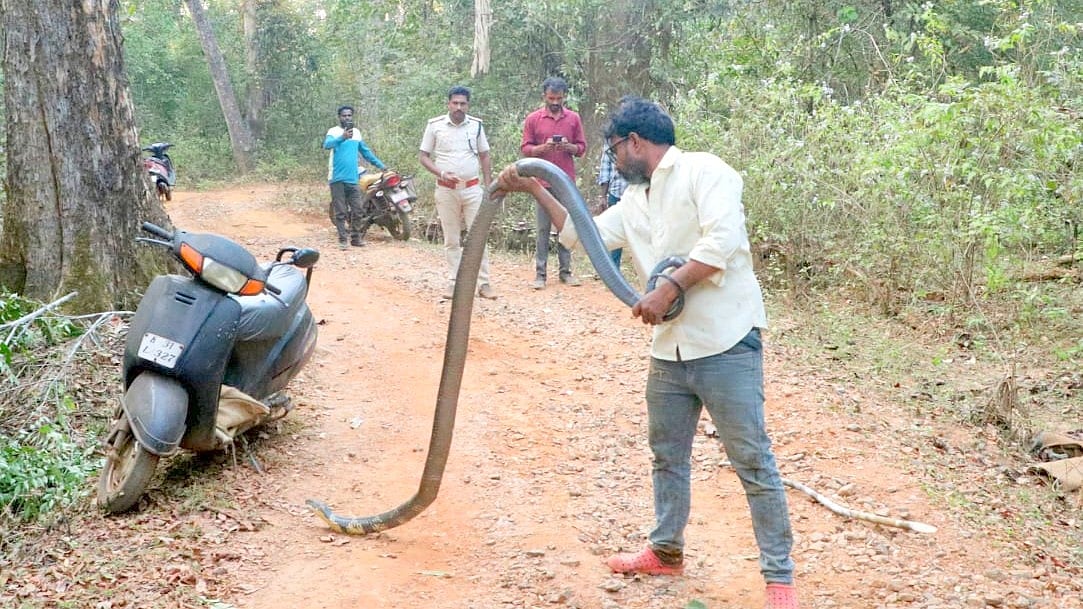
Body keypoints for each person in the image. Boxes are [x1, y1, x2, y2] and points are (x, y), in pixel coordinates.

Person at [493, 98, 801, 609]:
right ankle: (666, 550)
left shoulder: (706, 171)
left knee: (751, 459)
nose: (614, 160)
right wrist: (536, 187)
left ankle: (779, 579)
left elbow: (722, 242)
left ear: (634, 141)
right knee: (667, 455)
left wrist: (668, 287)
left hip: (725, 340)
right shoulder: (634, 200)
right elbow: (581, 236)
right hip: (670, 348)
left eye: (614, 149)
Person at [419, 86, 496, 300]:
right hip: (446, 190)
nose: (459, 107)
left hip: (472, 189)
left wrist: (489, 185)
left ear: (468, 105)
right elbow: (423, 156)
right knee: (451, 239)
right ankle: (454, 283)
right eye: (455, 103)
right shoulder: (435, 126)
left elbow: (485, 155)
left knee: (478, 235)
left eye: (463, 103)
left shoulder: (476, 126)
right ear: (448, 104)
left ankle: (484, 283)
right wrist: (442, 173)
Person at [519, 76, 586, 289]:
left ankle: (566, 272)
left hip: (565, 183)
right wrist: (542, 149)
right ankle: (540, 274)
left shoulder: (573, 118)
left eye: (559, 98)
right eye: (551, 98)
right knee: (542, 229)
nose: (555, 102)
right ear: (544, 96)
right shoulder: (533, 119)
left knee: (566, 227)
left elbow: (582, 148)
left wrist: (569, 147)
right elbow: (525, 148)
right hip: (542, 183)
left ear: (564, 96)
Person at [323, 105, 387, 249]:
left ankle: (356, 238)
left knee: (358, 210)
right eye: (344, 115)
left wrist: (381, 166)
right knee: (341, 211)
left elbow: (366, 152)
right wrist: (342, 137)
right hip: (337, 178)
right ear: (339, 117)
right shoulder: (333, 131)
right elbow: (327, 145)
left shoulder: (356, 133)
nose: (347, 118)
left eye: (349, 115)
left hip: (353, 178)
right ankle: (342, 240)